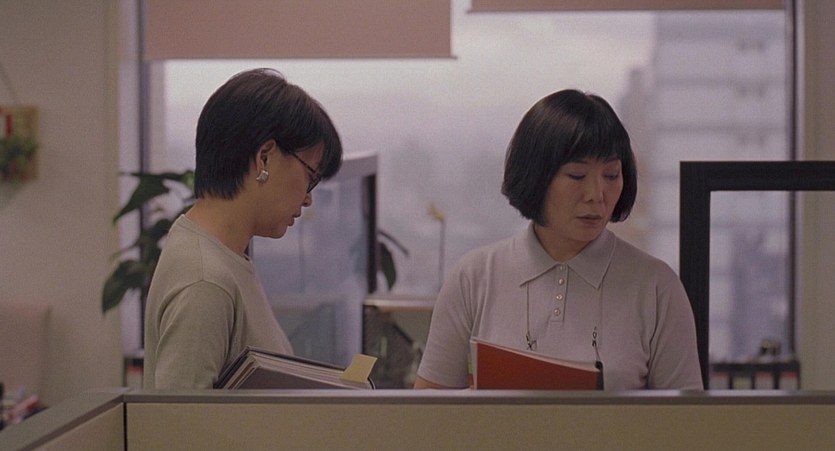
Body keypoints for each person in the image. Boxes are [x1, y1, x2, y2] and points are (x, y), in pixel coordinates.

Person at [414, 89, 702, 390]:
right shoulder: (474, 278)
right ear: (535, 176)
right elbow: (427, 408)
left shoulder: (656, 287)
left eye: (611, 175)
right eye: (577, 176)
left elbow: (686, 416)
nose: (596, 195)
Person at [143, 68, 342, 389]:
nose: (308, 198)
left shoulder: (222, 256)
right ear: (265, 158)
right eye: (311, 176)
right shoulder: (205, 280)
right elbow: (179, 419)